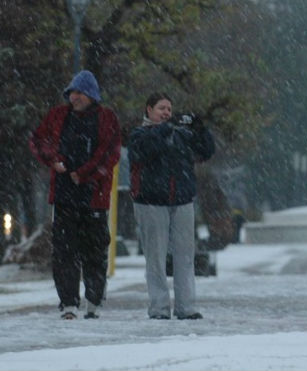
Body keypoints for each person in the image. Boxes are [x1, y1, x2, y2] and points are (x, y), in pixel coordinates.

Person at [29, 70, 121, 320]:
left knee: (94, 250)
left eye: (79, 93)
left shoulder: (106, 118)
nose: (75, 97)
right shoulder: (58, 116)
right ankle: (68, 302)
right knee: (64, 251)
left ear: (91, 95)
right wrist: (53, 159)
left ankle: (94, 299)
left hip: (94, 196)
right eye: (72, 93)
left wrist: (83, 173)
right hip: (64, 195)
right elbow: (38, 140)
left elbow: (109, 153)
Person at [128, 93, 215, 320]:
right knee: (155, 258)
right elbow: (143, 151)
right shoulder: (139, 134)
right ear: (148, 110)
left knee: (185, 257)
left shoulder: (181, 135)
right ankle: (159, 307)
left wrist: (199, 128)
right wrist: (165, 130)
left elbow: (206, 151)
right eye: (161, 108)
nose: (166, 113)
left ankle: (186, 307)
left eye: (169, 109)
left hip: (182, 200)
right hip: (151, 202)